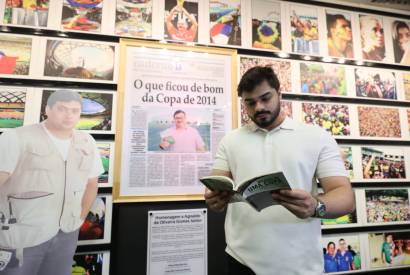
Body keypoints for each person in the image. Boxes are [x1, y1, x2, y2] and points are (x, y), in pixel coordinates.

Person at [204, 66, 355, 275]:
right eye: (250, 103)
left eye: (266, 98)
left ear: (279, 93)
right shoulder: (231, 140)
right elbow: (217, 182)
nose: (259, 107)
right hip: (241, 261)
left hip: (299, 265)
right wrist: (214, 198)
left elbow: (345, 197)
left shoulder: (317, 137)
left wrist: (315, 206)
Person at [0, 90, 104, 275]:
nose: (69, 115)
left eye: (75, 110)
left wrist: (79, 218)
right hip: (21, 237)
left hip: (66, 235)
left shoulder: (87, 142)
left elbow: (92, 184)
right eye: (62, 109)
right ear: (47, 109)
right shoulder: (16, 138)